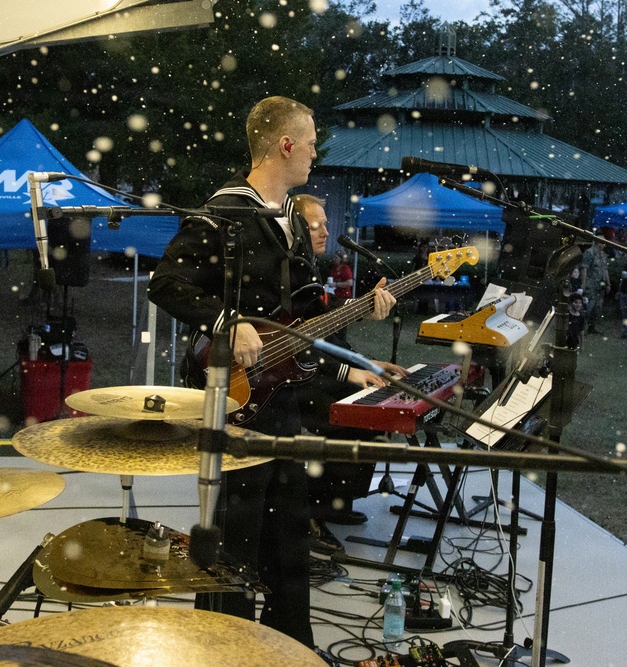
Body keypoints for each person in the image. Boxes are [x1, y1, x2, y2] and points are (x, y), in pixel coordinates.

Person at [147, 97, 395, 650]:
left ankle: (290, 649)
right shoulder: (225, 212)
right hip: (235, 399)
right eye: (309, 142)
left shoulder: (293, 222)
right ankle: (225, 650)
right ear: (285, 144)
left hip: (286, 401)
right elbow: (165, 284)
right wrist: (224, 323)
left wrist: (361, 313)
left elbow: (304, 319)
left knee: (288, 537)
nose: (313, 152)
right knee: (234, 537)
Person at [291, 194, 407, 554]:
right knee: (353, 409)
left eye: (326, 223)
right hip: (297, 377)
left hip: (319, 367)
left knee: (369, 408)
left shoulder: (311, 265)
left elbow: (333, 336)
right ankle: (306, 512)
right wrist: (351, 373)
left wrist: (369, 364)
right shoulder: (292, 270)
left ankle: (334, 501)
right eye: (317, 224)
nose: (327, 230)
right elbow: (298, 343)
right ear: (295, 227)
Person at [580, 240, 610, 334]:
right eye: (602, 242)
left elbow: (605, 270)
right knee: (588, 307)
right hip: (591, 284)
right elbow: (584, 268)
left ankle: (592, 327)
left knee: (597, 308)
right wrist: (583, 284)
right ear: (598, 243)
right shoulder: (589, 253)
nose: (604, 244)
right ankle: (582, 327)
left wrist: (608, 283)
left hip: (600, 285)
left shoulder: (603, 255)